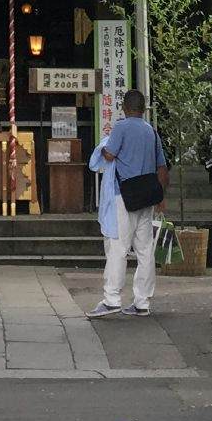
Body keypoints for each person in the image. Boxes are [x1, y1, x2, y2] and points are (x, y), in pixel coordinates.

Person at [90, 88, 164, 318]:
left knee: (118, 248)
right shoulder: (151, 131)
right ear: (143, 109)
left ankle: (111, 298)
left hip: (125, 194)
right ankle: (142, 302)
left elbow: (110, 155)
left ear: (124, 107)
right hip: (148, 195)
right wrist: (161, 197)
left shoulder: (121, 127)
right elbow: (161, 166)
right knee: (145, 250)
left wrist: (104, 148)